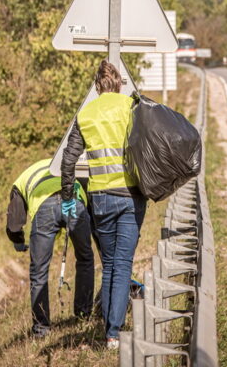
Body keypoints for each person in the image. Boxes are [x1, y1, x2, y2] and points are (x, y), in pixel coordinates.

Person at [61, 59, 146, 350]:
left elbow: (68, 161)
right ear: (119, 83)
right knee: (122, 264)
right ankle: (113, 333)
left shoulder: (85, 114)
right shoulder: (131, 107)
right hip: (131, 195)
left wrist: (67, 198)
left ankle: (108, 330)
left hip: (100, 199)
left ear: (97, 86)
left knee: (109, 265)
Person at [5, 157, 94, 337]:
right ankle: (83, 315)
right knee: (85, 259)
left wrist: (18, 241)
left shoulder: (23, 178)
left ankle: (41, 329)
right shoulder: (73, 167)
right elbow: (91, 199)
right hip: (74, 202)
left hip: (44, 208)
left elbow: (14, 220)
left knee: (38, 272)